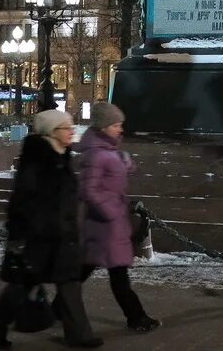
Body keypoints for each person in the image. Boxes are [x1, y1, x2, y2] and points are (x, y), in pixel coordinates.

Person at [0, 109, 101, 349]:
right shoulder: (38, 160)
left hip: (62, 235)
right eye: (66, 128)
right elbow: (22, 199)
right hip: (39, 237)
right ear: (52, 132)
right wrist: (18, 234)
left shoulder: (62, 156)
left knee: (69, 283)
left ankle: (79, 335)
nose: (71, 132)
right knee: (21, 286)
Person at [77, 102, 160, 332]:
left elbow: (112, 179)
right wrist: (111, 211)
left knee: (85, 271)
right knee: (118, 274)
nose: (120, 129)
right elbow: (89, 190)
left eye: (120, 124)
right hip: (105, 225)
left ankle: (58, 308)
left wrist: (125, 162)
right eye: (115, 125)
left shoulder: (108, 151)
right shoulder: (96, 155)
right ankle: (137, 317)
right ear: (103, 127)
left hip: (107, 225)